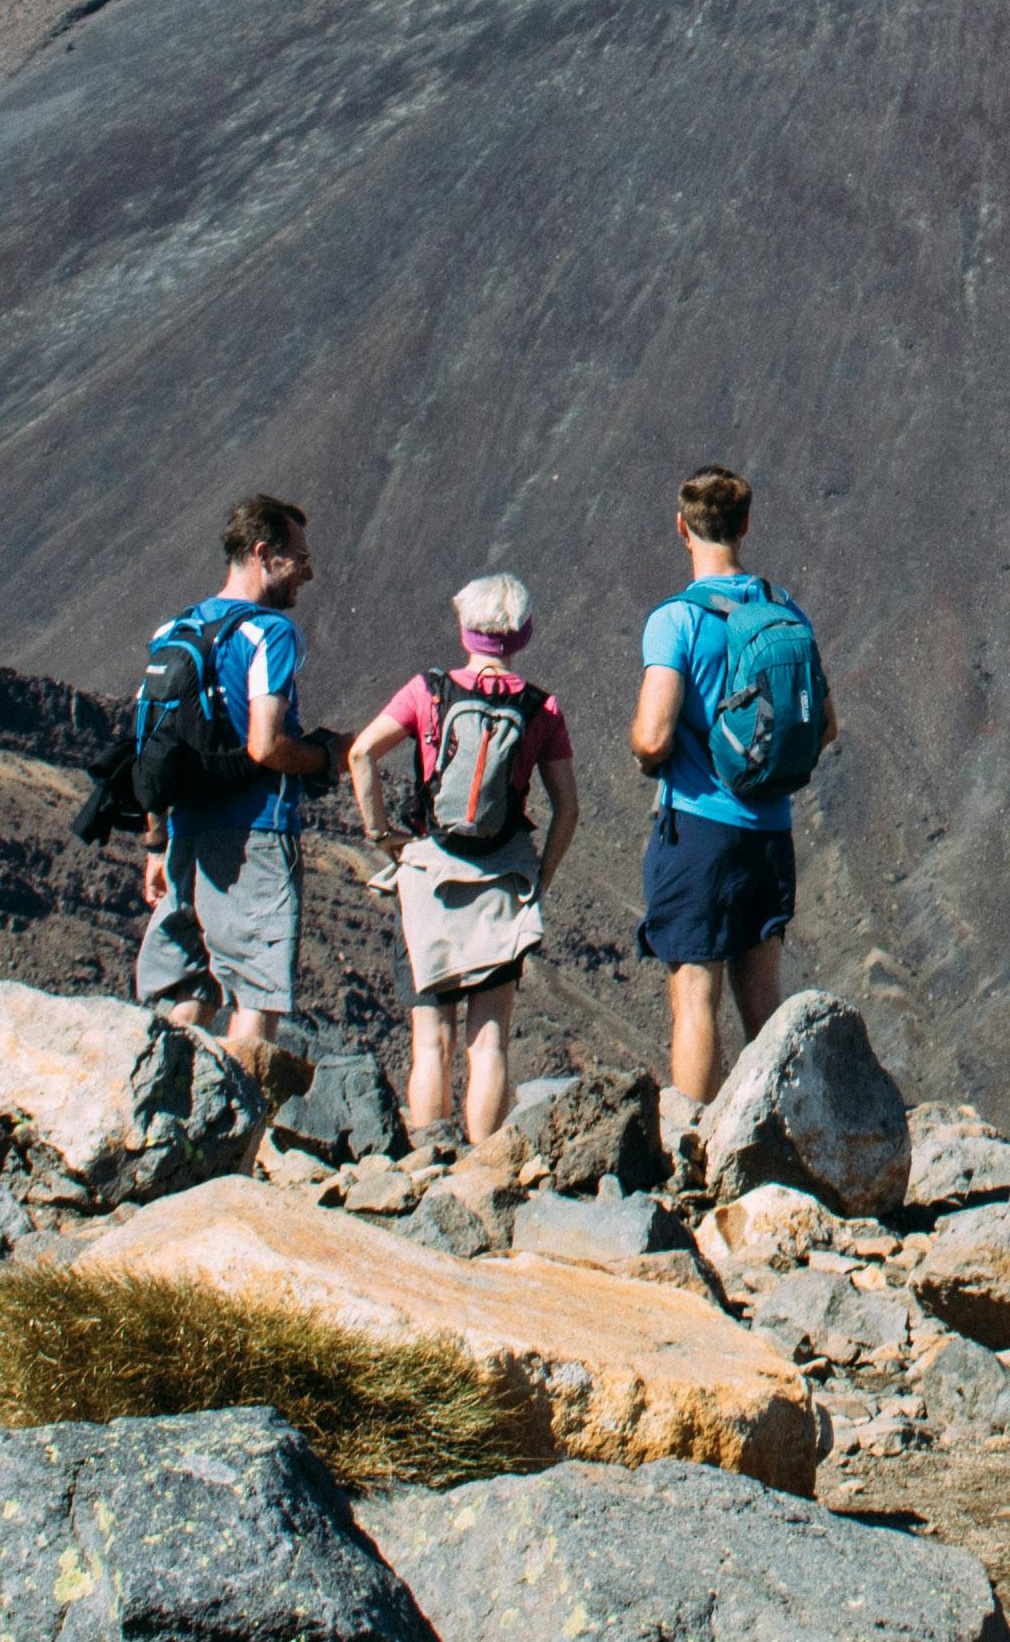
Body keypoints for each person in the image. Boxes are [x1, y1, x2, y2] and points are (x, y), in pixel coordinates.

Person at [133, 492, 347, 1098]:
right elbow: (265, 745)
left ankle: (160, 1121)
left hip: (182, 838)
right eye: (298, 558)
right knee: (254, 993)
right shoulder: (270, 633)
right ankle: (230, 1143)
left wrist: (154, 843)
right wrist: (325, 758)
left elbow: (153, 745)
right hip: (255, 833)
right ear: (263, 554)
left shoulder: (175, 629)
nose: (308, 571)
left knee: (185, 989)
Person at [353, 573, 578, 1150]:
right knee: (490, 1040)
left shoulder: (427, 692)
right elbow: (567, 809)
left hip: (428, 874)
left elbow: (360, 754)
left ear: (464, 627)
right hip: (503, 879)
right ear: (524, 633)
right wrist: (537, 881)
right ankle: (485, 1169)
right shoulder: (540, 707)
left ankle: (427, 1164)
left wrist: (384, 837)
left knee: (431, 1041)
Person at [629, 464, 826, 1108]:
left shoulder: (675, 621)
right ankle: (775, 1139)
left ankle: (695, 1151)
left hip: (698, 828)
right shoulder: (783, 610)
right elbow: (823, 727)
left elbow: (654, 736)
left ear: (681, 528)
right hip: (770, 833)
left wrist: (644, 752)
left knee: (695, 997)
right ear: (745, 526)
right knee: (763, 1000)